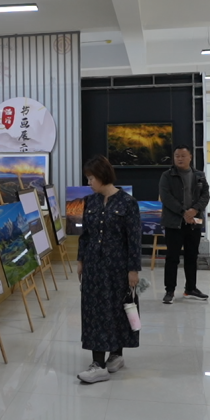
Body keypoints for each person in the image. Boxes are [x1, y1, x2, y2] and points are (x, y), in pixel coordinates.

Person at [75, 156, 142, 384]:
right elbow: (85, 235)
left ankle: (116, 354)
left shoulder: (128, 203)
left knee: (117, 310)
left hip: (118, 268)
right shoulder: (90, 202)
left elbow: (134, 239)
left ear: (103, 176)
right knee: (95, 311)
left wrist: (133, 269)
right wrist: (80, 260)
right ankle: (98, 364)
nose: (89, 183)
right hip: (94, 266)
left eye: (91, 178)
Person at [158, 145, 210, 304]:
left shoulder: (199, 175)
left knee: (192, 256)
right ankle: (170, 290)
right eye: (177, 156)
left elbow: (205, 195)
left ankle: (191, 288)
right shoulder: (167, 175)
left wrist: (195, 210)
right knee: (172, 257)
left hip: (194, 222)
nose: (179, 158)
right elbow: (166, 197)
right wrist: (183, 212)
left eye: (183, 155)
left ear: (190, 157)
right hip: (174, 223)